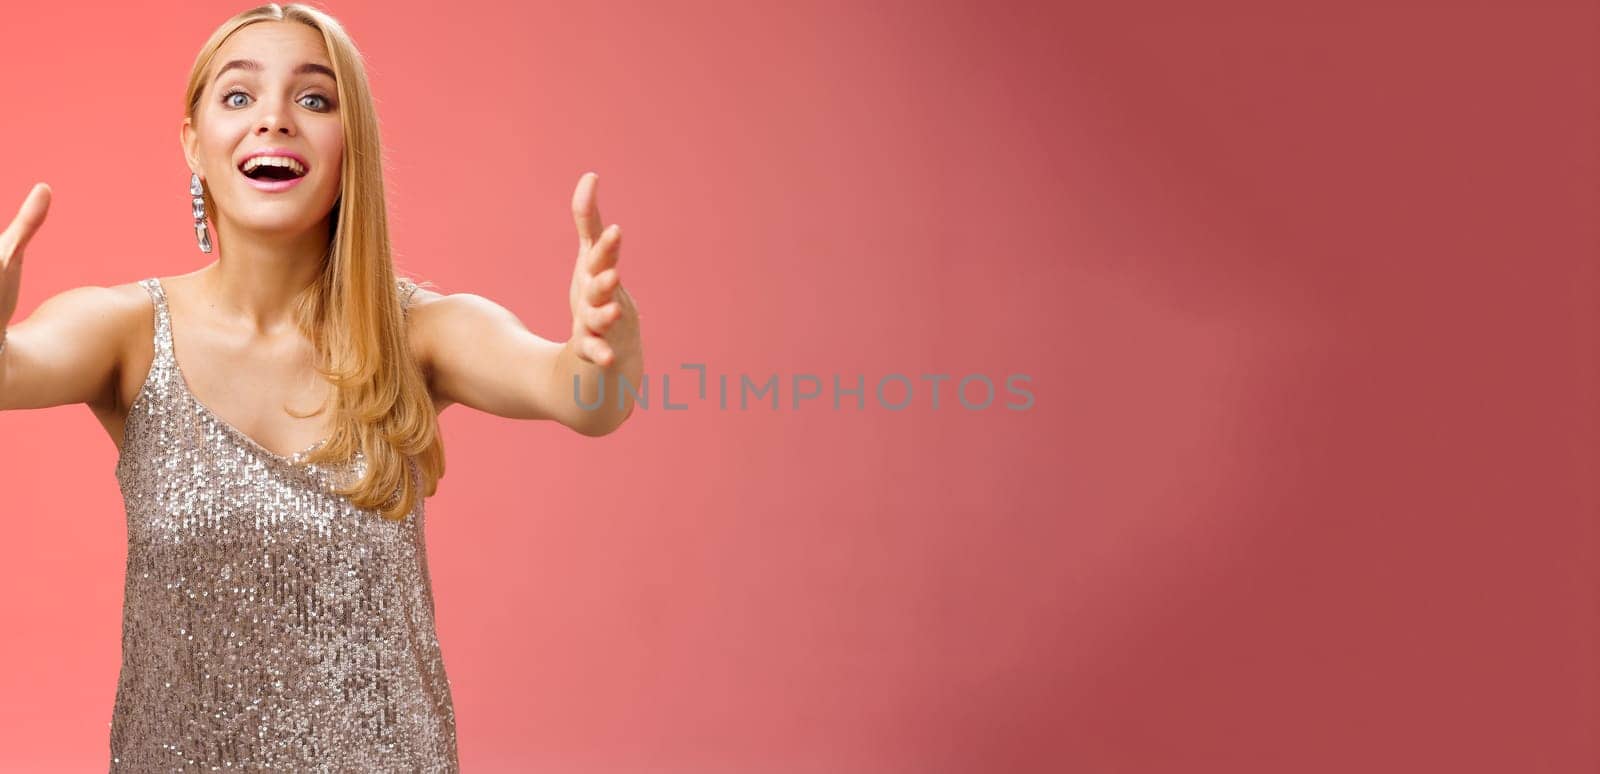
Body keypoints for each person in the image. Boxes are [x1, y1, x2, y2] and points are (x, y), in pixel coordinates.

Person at [0, 3, 643, 770]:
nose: (274, 119)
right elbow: (13, 367)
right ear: (193, 143)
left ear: (352, 147)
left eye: (315, 99)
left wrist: (608, 348)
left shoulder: (418, 332)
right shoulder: (126, 331)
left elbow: (583, 398)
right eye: (238, 97)